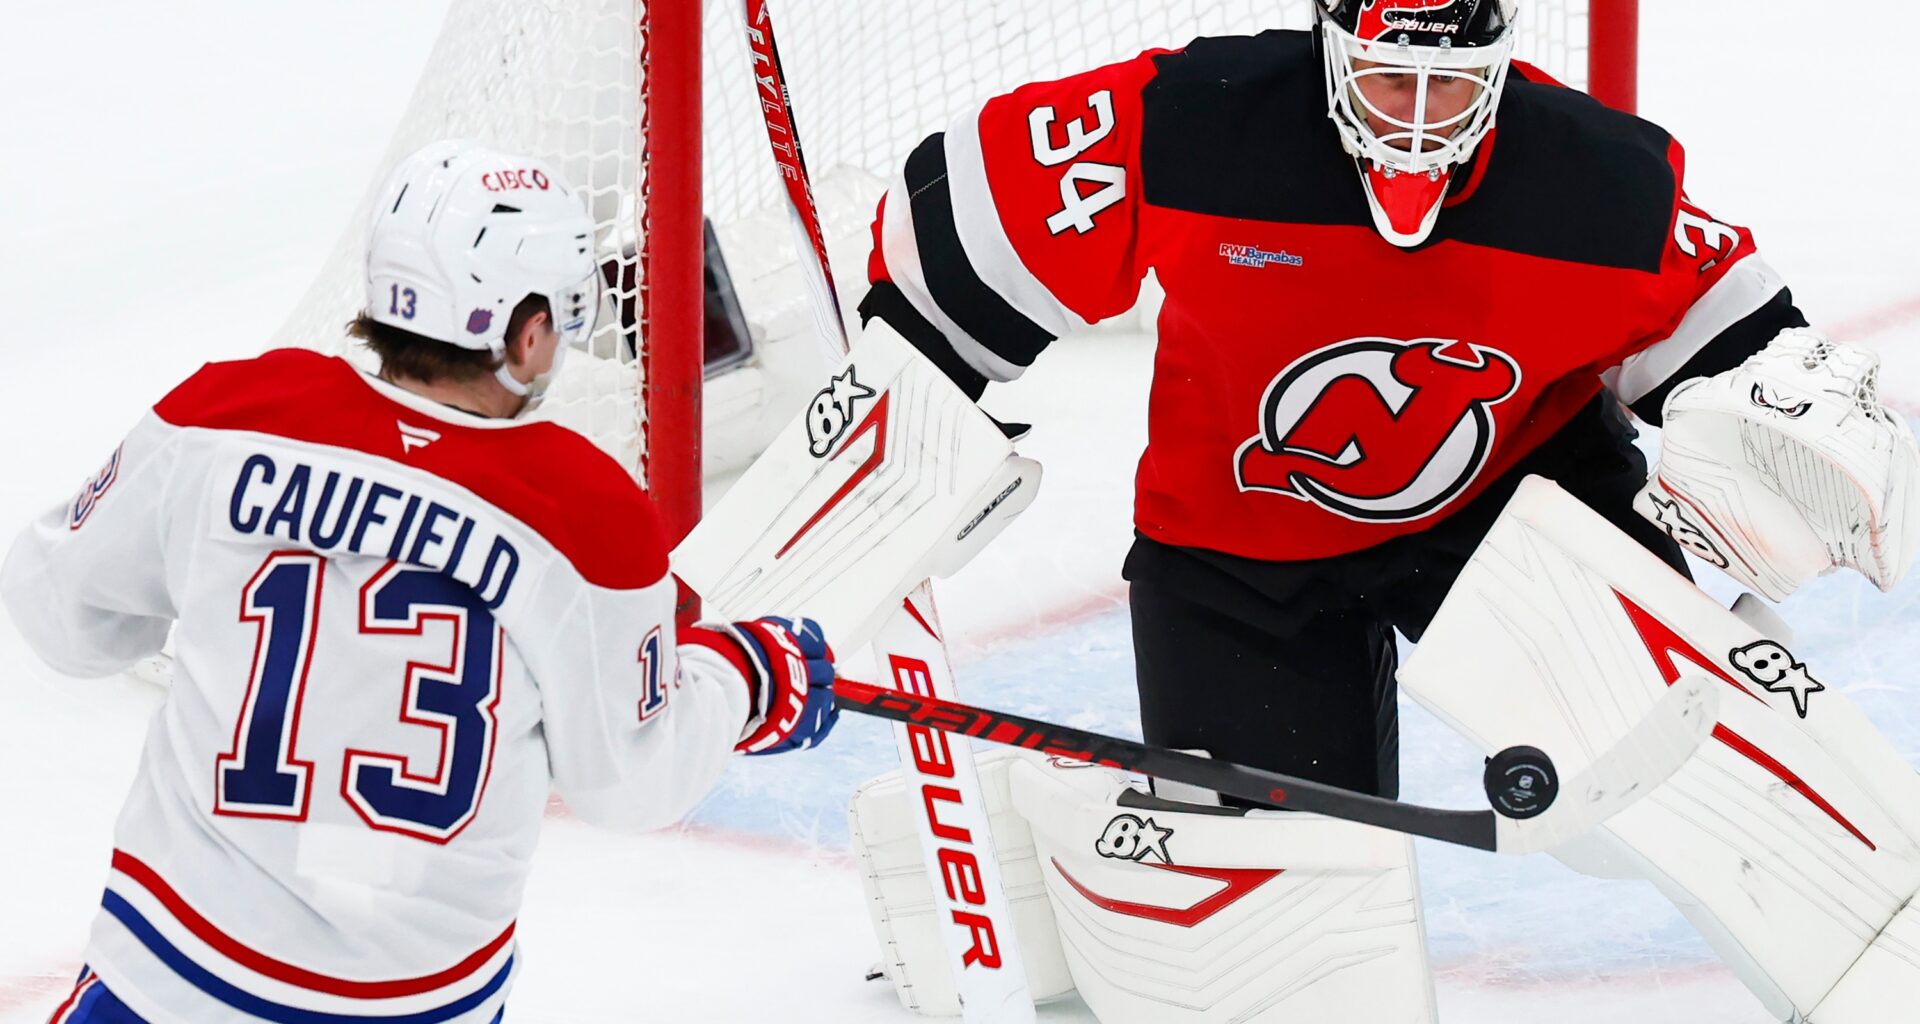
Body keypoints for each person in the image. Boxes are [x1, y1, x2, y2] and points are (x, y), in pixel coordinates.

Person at [851, 2, 1918, 1019]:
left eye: (1447, 88)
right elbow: (955, 229)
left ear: (1497, 62)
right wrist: (913, 388)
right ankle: (999, 868)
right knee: (1287, 944)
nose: (1413, 118)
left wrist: (1788, 443)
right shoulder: (1194, 122)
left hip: (1514, 512)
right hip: (1237, 550)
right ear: (1329, 47)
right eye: (1384, 77)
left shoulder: (1596, 181)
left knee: (1700, 765)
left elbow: (1758, 353)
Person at [5, 139, 838, 1024]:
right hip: (409, 1002)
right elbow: (630, 781)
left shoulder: (230, 416)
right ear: (526, 335)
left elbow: (59, 612)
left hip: (165, 978)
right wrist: (744, 679)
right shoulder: (586, 512)